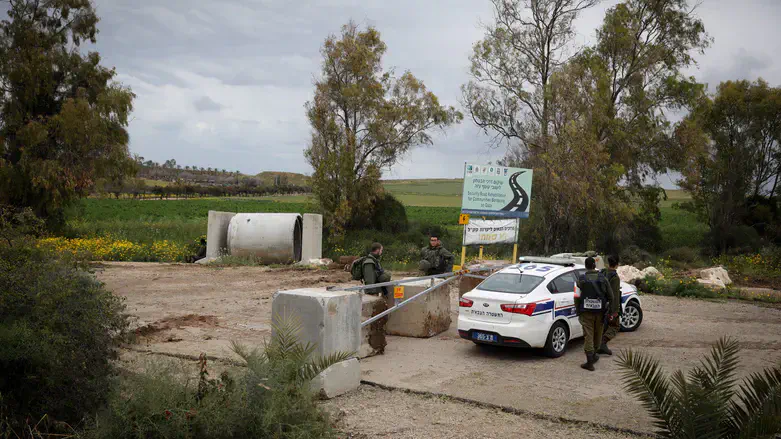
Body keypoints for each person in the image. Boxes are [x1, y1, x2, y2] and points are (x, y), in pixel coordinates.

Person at [575, 257, 613, 371]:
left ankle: (589, 361)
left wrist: (578, 310)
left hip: (586, 313)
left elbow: (576, 296)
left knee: (588, 335)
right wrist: (609, 311)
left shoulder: (580, 279)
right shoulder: (603, 278)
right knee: (598, 334)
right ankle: (595, 354)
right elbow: (611, 296)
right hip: (601, 312)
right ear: (594, 265)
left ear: (586, 266)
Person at [599, 255, 622, 356]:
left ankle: (598, 346)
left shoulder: (602, 272)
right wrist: (615, 311)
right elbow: (615, 296)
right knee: (615, 326)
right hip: (609, 306)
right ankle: (602, 344)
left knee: (603, 326)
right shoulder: (615, 277)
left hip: (600, 305)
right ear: (617, 265)